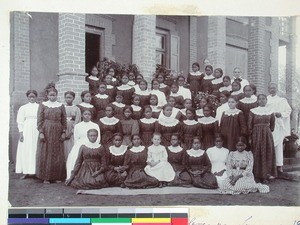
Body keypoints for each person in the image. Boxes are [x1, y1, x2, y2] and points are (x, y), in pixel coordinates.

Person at [36, 87, 67, 183]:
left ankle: (57, 176)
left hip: (58, 129)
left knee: (57, 153)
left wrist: (63, 132)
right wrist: (41, 132)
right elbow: (39, 120)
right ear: (47, 95)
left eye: (54, 95)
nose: (52, 97)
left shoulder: (61, 105)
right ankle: (46, 177)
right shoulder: (43, 105)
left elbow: (64, 120)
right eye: (50, 95)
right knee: (46, 152)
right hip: (46, 129)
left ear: (57, 95)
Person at [249, 94, 277, 183]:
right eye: (260, 99)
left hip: (267, 134)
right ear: (257, 101)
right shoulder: (253, 111)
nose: (262, 101)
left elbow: (272, 125)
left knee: (266, 153)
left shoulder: (270, 111)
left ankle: (265, 176)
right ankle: (256, 175)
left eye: (263, 99)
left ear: (266, 100)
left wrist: (266, 131)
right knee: (256, 153)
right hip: (256, 134)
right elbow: (249, 124)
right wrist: (251, 136)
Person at [66, 109, 100, 180]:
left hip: (92, 144)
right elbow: (76, 138)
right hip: (80, 144)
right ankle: (73, 177)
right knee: (74, 157)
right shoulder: (78, 126)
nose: (87, 116)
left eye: (89, 114)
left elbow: (98, 138)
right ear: (82, 115)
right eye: (85, 114)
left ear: (91, 116)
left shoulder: (95, 125)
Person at [266, 83, 292, 175]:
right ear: (268, 89)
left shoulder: (281, 100)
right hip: (268, 125)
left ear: (276, 89)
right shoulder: (266, 100)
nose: (272, 90)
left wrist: (280, 114)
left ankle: (279, 165)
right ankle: (269, 165)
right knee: (269, 144)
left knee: (278, 145)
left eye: (273, 88)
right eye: (270, 88)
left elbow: (288, 110)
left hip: (278, 124)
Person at [15, 90, 39, 179]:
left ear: (36, 97)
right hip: (27, 130)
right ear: (28, 97)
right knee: (26, 149)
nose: (32, 98)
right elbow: (20, 122)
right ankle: (26, 171)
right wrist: (21, 133)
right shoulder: (23, 108)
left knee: (35, 148)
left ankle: (36, 171)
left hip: (37, 129)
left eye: (33, 96)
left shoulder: (39, 106)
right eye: (30, 97)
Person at [63, 91, 81, 162]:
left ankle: (71, 164)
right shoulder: (62, 108)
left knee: (72, 147)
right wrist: (63, 131)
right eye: (67, 97)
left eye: (70, 98)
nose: (68, 99)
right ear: (65, 98)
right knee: (64, 148)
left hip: (72, 131)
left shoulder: (76, 109)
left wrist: (71, 132)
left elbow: (78, 121)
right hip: (64, 130)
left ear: (73, 98)